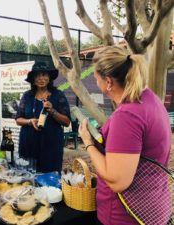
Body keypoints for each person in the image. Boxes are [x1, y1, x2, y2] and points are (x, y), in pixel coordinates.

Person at [78, 46, 171, 225]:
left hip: (126, 215)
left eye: (96, 79)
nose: (96, 83)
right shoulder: (149, 98)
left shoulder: (127, 115)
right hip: (154, 206)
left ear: (108, 82)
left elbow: (117, 181)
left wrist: (88, 142)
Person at [15, 61, 71, 173]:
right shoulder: (27, 96)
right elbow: (18, 119)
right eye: (37, 75)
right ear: (33, 80)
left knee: (50, 176)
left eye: (44, 75)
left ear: (49, 78)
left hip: (51, 144)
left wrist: (52, 111)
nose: (41, 78)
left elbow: (67, 122)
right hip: (29, 144)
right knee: (28, 175)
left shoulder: (58, 95)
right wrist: (30, 121)